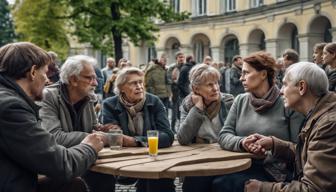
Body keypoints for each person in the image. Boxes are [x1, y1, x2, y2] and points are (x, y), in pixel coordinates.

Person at [0, 42, 103, 192]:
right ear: (33, 72)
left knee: (73, 185)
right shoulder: (11, 107)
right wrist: (89, 147)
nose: (48, 80)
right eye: (45, 73)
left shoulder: (7, 98)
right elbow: (61, 165)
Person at [214, 51, 304, 192]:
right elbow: (224, 135)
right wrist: (243, 143)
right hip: (240, 165)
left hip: (275, 172)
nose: (241, 78)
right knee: (202, 180)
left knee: (223, 183)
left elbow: (299, 149)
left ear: (263, 74)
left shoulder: (287, 102)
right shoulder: (240, 100)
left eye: (246, 73)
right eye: (241, 73)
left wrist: (271, 145)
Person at [245, 62, 336, 192]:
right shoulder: (320, 114)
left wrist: (261, 188)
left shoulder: (328, 125)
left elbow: (313, 189)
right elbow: (311, 154)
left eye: (285, 84)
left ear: (301, 87)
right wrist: (275, 144)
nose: (281, 91)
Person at [39, 55, 115, 192]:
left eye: (96, 78)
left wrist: (102, 129)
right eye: (89, 78)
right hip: (57, 164)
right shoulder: (48, 96)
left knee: (105, 174)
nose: (95, 83)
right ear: (73, 79)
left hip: (84, 158)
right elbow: (54, 137)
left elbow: (93, 128)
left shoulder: (89, 98)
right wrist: (97, 137)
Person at [102, 67, 175, 192]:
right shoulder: (109, 104)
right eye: (133, 83)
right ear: (121, 88)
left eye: (141, 82)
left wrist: (135, 141)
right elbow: (113, 136)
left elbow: (168, 136)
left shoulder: (154, 101)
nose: (139, 86)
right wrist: (111, 131)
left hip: (153, 159)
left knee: (160, 181)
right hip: (123, 159)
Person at [177, 64, 234, 192]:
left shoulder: (228, 102)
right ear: (196, 88)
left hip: (224, 157)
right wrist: (197, 108)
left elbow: (236, 133)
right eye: (209, 85)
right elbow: (183, 138)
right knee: (193, 185)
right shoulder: (188, 104)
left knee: (221, 184)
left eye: (216, 83)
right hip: (198, 158)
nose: (215, 88)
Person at [167, 51, 185, 132]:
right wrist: (174, 82)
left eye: (182, 57)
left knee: (182, 111)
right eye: (180, 57)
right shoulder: (172, 68)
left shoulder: (185, 67)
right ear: (176, 58)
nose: (181, 59)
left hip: (184, 92)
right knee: (174, 112)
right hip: (174, 92)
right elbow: (168, 79)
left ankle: (181, 128)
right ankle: (172, 128)